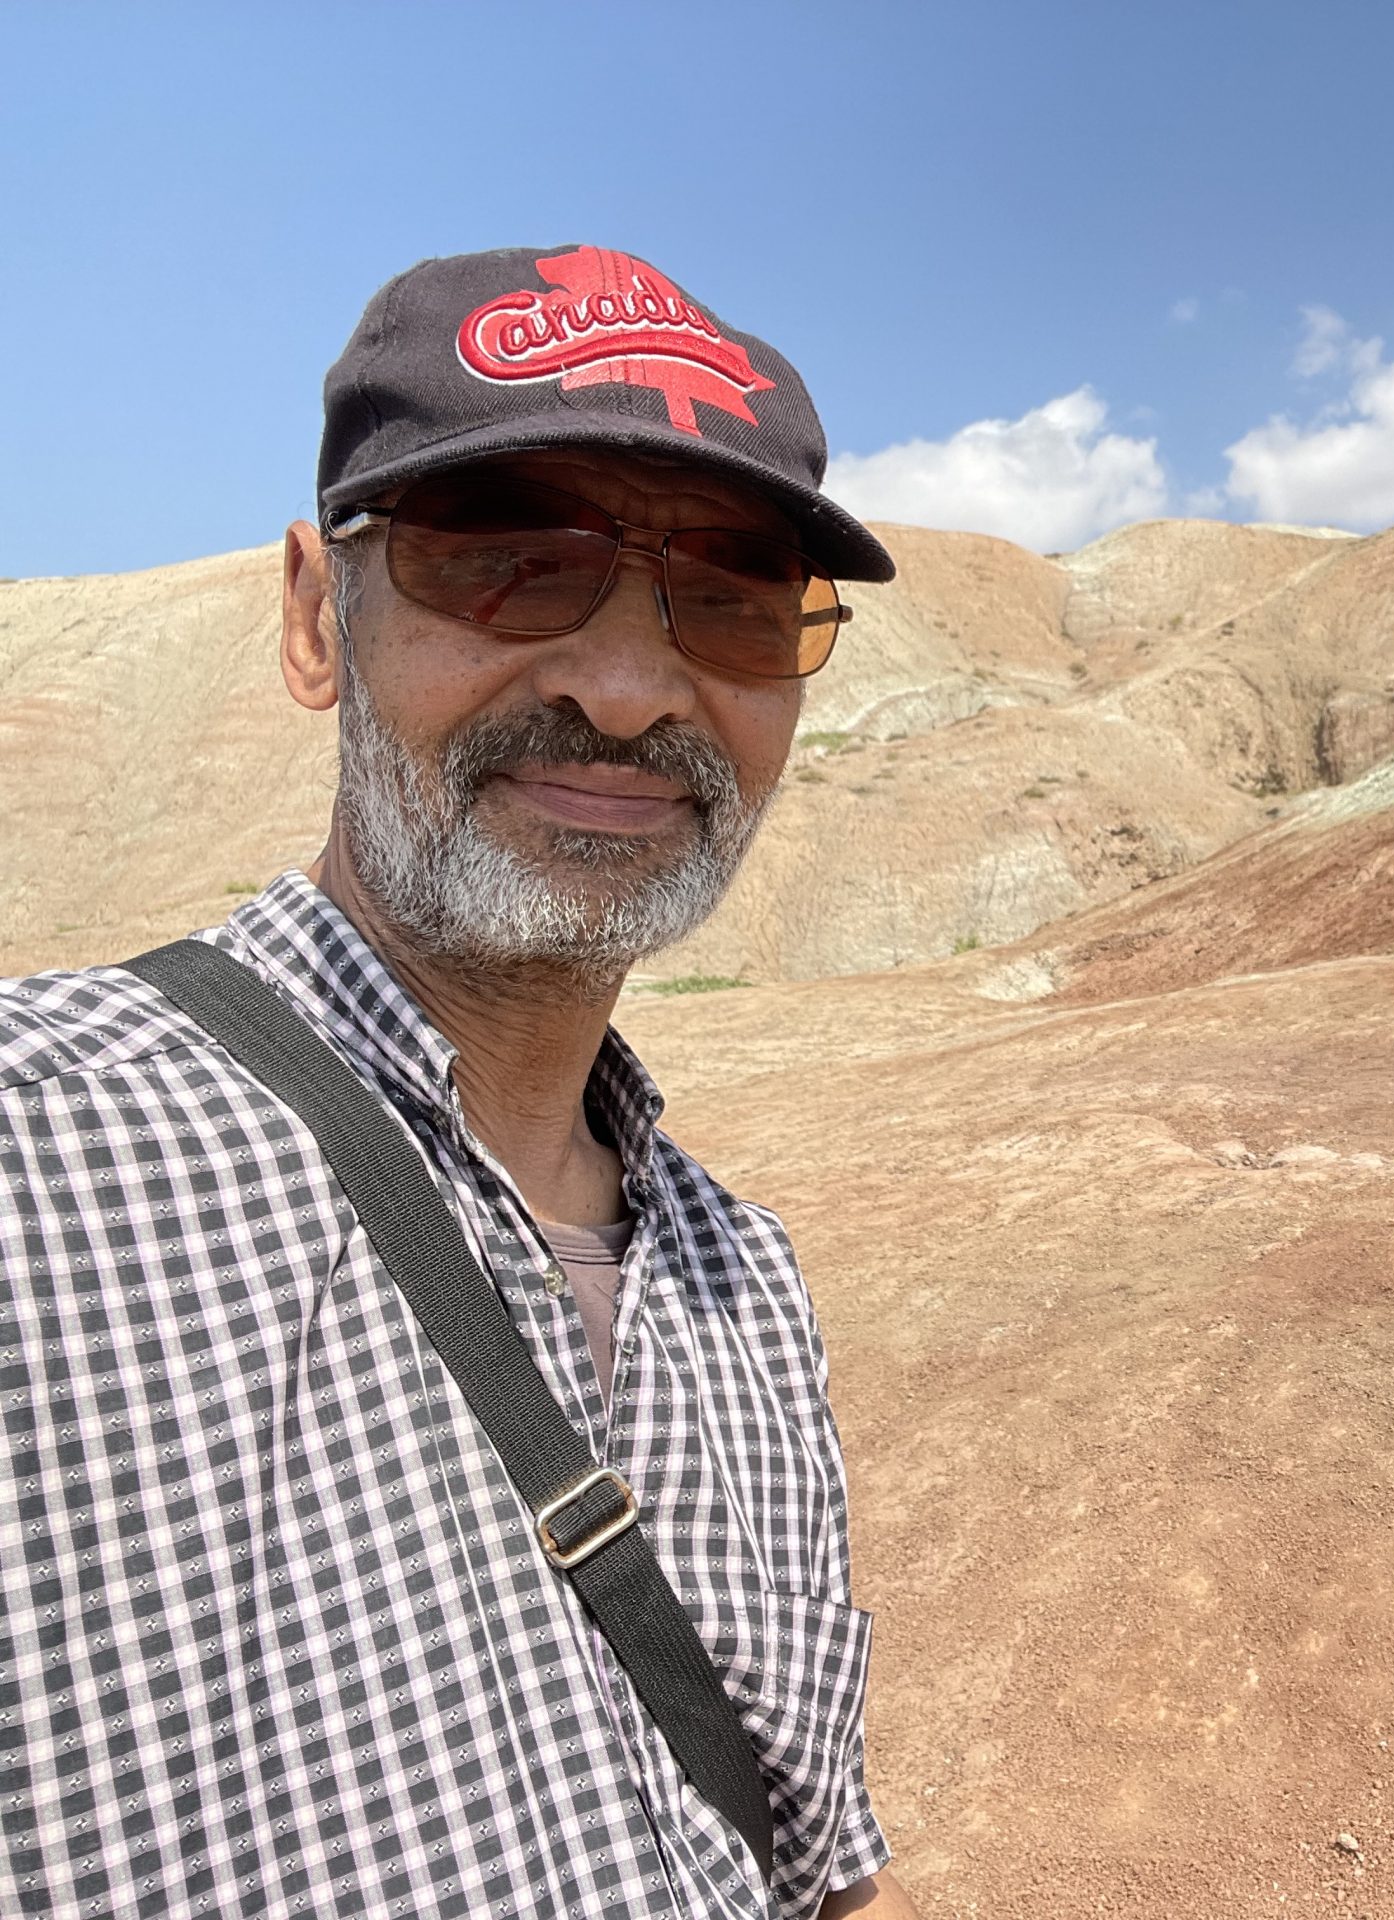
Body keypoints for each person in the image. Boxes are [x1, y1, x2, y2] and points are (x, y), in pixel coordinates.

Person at [0, 247, 922, 1920]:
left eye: (731, 597)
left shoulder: (746, 1282)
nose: (624, 689)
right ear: (315, 620)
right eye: (507, 563)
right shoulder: (36, 1171)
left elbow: (808, 1866)